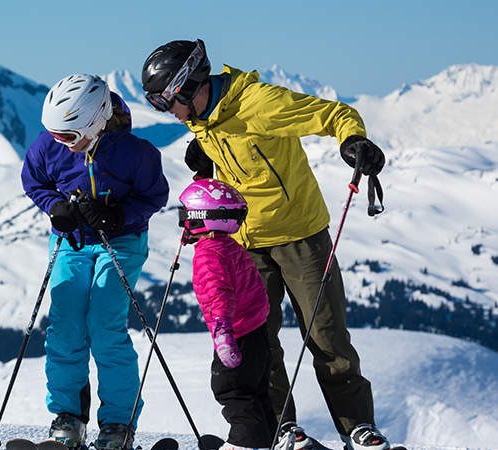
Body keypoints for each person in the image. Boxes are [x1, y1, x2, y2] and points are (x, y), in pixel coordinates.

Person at [141, 39, 391, 450]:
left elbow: (335, 113)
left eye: (165, 101)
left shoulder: (260, 103)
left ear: (189, 85)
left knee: (327, 338)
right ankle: (281, 428)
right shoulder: (201, 121)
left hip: (300, 237)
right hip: (244, 243)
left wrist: (352, 141)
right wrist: (205, 156)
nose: (166, 112)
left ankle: (357, 428)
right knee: (260, 341)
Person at [21, 74, 169, 449]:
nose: (60, 144)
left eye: (68, 136)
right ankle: (68, 417)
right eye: (54, 134)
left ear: (97, 121)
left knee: (105, 324)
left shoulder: (137, 153)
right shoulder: (49, 147)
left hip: (120, 241)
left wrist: (120, 216)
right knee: (66, 325)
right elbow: (34, 181)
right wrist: (56, 208)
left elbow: (155, 196)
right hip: (71, 242)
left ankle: (118, 423)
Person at [179, 178, 276, 449]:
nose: (183, 222)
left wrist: (223, 333)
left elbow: (217, 293)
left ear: (201, 216)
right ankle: (268, 440)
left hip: (236, 335)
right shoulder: (230, 247)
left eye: (185, 215)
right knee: (256, 393)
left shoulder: (209, 255)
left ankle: (245, 444)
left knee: (232, 391)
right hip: (256, 334)